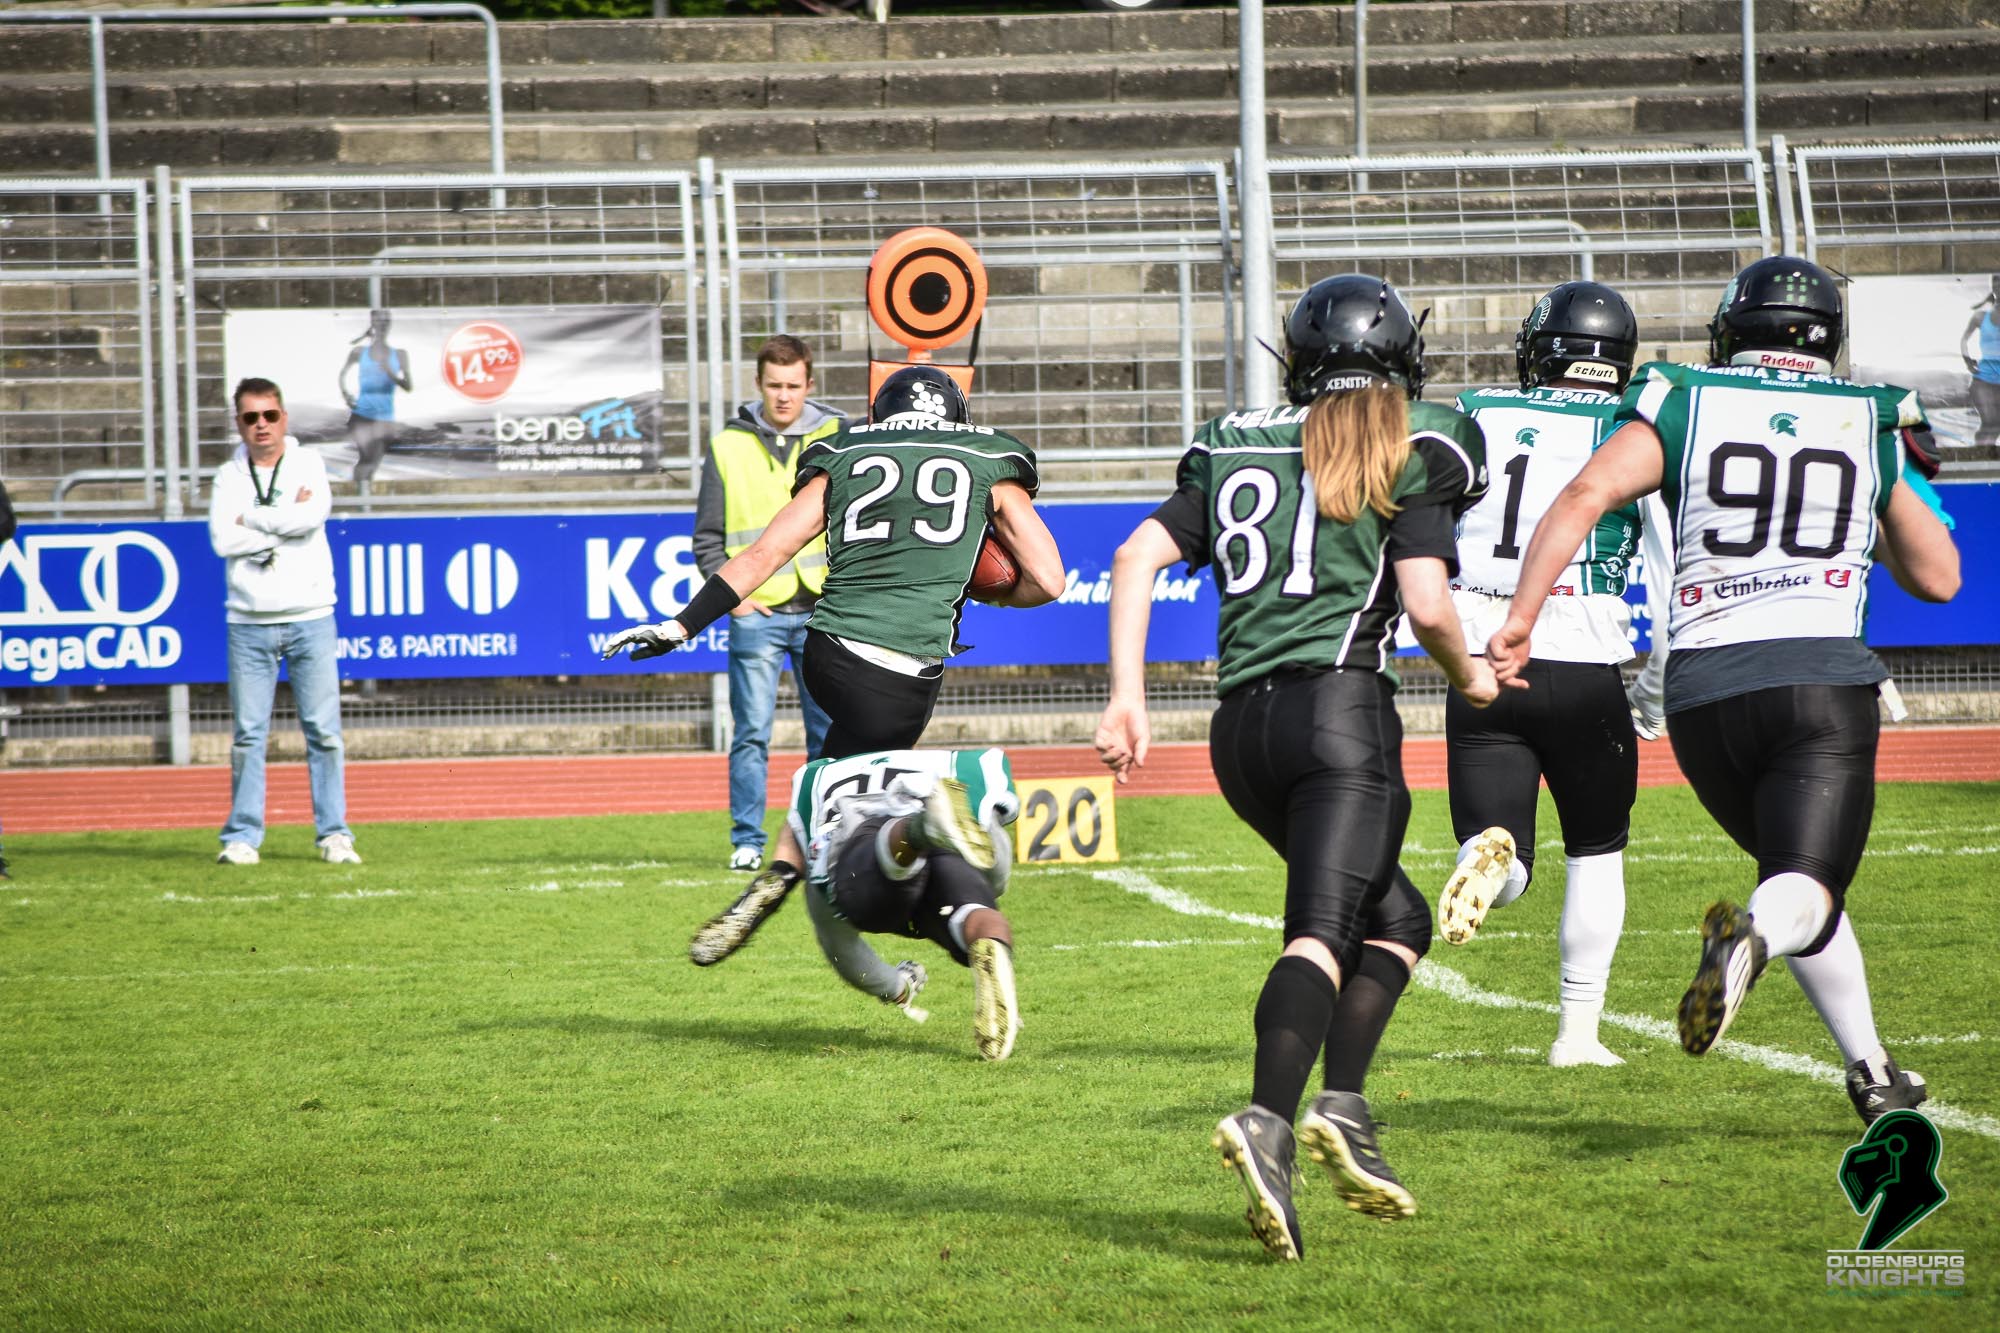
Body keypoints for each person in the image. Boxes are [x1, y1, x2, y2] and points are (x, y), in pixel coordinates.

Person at [1487, 256, 1962, 1125]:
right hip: (1818, 681)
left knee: (1798, 884)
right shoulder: (1867, 415)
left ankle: (1873, 1068)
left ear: (1731, 330)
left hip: (1704, 694)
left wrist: (1520, 618)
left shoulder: (1684, 396)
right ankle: (1751, 936)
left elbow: (1585, 492)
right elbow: (1939, 577)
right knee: (1803, 887)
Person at [1094, 274, 1498, 1260]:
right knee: (1321, 932)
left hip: (1240, 732)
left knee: (1396, 919)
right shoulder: (1420, 436)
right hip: (1339, 716)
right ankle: (1269, 1119)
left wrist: (1126, 696)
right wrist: (1476, 678)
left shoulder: (1235, 440)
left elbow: (1134, 556)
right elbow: (1426, 601)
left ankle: (1343, 1105)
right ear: (1401, 358)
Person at [605, 364, 1065, 960]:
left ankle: (776, 874)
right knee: (874, 820)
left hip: (829, 652)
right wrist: (985, 589)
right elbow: (1048, 580)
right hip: (903, 675)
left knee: (827, 773)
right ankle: (941, 889)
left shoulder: (844, 452)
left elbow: (766, 552)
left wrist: (680, 626)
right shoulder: (988, 460)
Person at [1434, 281, 1675, 1068]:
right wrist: (1654, 693)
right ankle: (1577, 1035)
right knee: (1596, 851)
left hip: (1481, 657)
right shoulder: (1635, 427)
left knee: (1501, 844)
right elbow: (1671, 575)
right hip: (1582, 657)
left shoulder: (1475, 412)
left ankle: (1490, 861)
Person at [692, 746, 1023, 1061]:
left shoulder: (816, 775)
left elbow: (845, 954)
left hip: (863, 848)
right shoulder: (964, 762)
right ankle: (989, 939)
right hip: (952, 838)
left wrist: (897, 987)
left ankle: (918, 830)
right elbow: (995, 850)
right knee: (973, 913)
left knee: (870, 891)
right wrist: (989, 883)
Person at [692, 335, 843, 872]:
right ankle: (747, 840)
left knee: (827, 734)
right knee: (751, 734)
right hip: (757, 614)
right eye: (774, 385)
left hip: (825, 613)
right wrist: (734, 597)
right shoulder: (727, 445)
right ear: (758, 384)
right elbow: (707, 539)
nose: (783, 396)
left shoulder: (839, 436)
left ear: (810, 384)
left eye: (793, 385)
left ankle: (823, 838)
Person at [208, 377, 360, 866]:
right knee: (248, 735)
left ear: (283, 418)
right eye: (251, 417)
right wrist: (281, 523)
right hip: (248, 621)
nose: (262, 425)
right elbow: (222, 540)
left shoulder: (307, 463)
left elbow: (312, 517)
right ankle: (242, 836)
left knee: (324, 733)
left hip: (310, 616)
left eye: (269, 415)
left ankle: (334, 834)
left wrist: (251, 519)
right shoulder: (227, 476)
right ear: (239, 423)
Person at [339, 309, 413, 486]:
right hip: (362, 415)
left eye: (386, 321)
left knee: (372, 464)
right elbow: (342, 375)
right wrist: (346, 395)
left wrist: (391, 373)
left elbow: (408, 386)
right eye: (379, 321)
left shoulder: (400, 354)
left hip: (385, 418)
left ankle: (361, 495)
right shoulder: (359, 352)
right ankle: (362, 497)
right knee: (367, 460)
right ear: (372, 323)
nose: (383, 325)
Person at [1959, 275, 2000, 448]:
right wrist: (1967, 360)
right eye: (1996, 285)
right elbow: (1964, 340)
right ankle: (1981, 456)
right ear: (1993, 288)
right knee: (1990, 425)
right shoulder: (1980, 317)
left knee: (1996, 427)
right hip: (1984, 380)